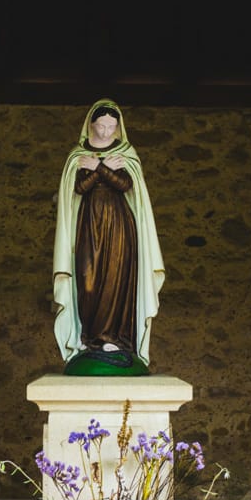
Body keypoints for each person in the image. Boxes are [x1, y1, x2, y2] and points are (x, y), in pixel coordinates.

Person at [53, 100, 164, 374]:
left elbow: (126, 184)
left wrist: (99, 167)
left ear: (118, 128)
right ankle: (90, 339)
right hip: (88, 225)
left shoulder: (125, 152)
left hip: (119, 225)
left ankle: (115, 338)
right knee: (88, 281)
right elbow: (78, 188)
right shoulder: (77, 155)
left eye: (111, 126)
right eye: (100, 125)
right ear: (90, 124)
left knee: (116, 279)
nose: (105, 131)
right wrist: (100, 167)